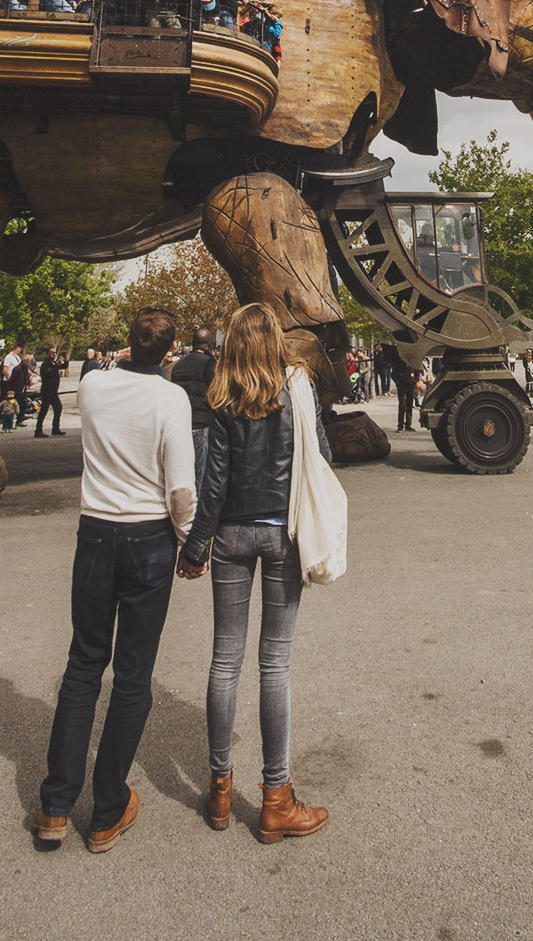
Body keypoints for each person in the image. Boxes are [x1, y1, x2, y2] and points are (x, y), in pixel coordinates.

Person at [32, 307, 197, 852]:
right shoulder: (171, 399)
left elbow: (105, 368)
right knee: (132, 674)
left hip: (97, 531)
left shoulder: (95, 388)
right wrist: (189, 540)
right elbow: (180, 490)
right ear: (169, 353)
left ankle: (56, 804)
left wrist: (126, 356)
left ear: (127, 343)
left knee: (84, 663)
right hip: (148, 535)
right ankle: (107, 806)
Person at [176, 302, 330, 843]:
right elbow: (319, 456)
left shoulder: (222, 394)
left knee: (224, 659)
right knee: (275, 663)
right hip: (282, 531)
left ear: (232, 341)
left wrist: (196, 545)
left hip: (233, 535)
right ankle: (276, 797)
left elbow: (212, 481)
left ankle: (220, 787)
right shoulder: (297, 387)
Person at [169, 327, 216, 492]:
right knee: (201, 473)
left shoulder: (178, 365)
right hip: (202, 423)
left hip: (181, 424)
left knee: (183, 472)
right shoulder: (209, 363)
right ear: (208, 343)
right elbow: (215, 393)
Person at [36, 346, 67, 437]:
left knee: (58, 408)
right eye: (52, 352)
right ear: (47, 354)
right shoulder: (46, 364)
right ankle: (38, 430)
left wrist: (65, 358)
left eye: (55, 353)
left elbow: (64, 366)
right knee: (43, 410)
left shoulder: (53, 363)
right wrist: (57, 365)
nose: (54, 354)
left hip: (53, 391)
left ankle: (55, 428)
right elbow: (49, 373)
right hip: (47, 391)